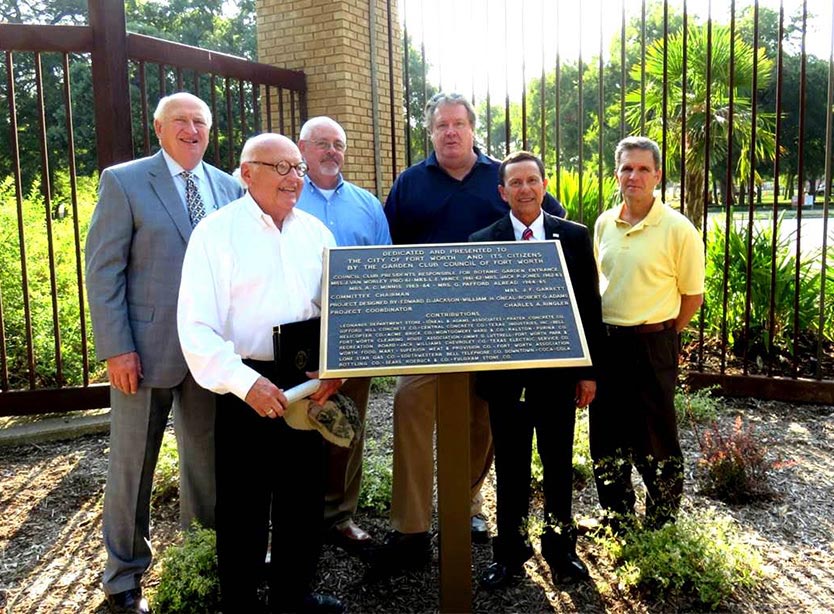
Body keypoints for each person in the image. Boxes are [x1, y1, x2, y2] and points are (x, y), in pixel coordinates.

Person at [378, 92, 566, 571]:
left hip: (490, 329)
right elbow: (388, 248)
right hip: (425, 327)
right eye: (441, 125)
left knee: (482, 419)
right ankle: (412, 527)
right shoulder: (410, 183)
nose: (450, 132)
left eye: (459, 123)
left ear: (472, 128)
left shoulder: (500, 179)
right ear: (431, 131)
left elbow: (552, 225)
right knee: (410, 406)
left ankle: (467, 506)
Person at [85, 92, 242, 613]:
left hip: (210, 355)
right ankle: (123, 575)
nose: (191, 130)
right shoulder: (124, 181)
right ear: (158, 128)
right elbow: (103, 271)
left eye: (200, 122)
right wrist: (117, 348)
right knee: (133, 467)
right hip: (144, 353)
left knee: (208, 465)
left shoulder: (228, 186)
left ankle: (201, 558)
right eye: (181, 121)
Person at [177, 133, 344, 613]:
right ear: (247, 173)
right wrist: (246, 383)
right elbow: (196, 327)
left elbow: (336, 310)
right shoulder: (216, 233)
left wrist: (334, 369)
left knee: (303, 501)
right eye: (282, 168)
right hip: (243, 382)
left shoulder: (316, 232)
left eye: (298, 169)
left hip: (306, 380)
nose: (295, 178)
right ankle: (242, 604)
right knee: (243, 508)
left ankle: (294, 597)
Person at [469, 151, 603, 588]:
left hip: (557, 377)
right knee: (510, 467)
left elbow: (588, 307)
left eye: (532, 180)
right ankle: (509, 554)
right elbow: (478, 315)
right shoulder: (481, 242)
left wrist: (588, 372)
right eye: (516, 183)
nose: (525, 189)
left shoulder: (575, 238)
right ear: (502, 191)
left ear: (545, 185)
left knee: (558, 464)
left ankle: (560, 550)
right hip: (505, 380)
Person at [590, 136, 705, 532]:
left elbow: (692, 295)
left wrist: (663, 331)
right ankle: (617, 519)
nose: (633, 176)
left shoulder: (678, 229)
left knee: (655, 435)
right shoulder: (605, 223)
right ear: (617, 173)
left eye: (642, 169)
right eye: (626, 168)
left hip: (653, 343)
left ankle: (661, 524)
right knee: (606, 435)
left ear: (657, 175)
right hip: (608, 344)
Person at [296, 116, 391, 553]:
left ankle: (340, 515)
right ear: (302, 148)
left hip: (355, 333)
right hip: (298, 332)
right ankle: (295, 519)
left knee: (347, 425)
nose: (331, 151)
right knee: (295, 424)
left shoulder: (367, 205)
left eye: (338, 144)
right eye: (322, 143)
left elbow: (384, 266)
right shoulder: (285, 197)